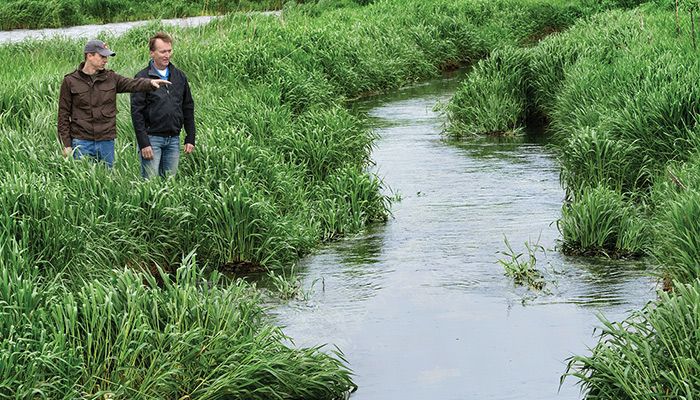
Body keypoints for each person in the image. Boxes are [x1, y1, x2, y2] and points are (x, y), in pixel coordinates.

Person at [58, 39, 171, 168]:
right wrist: (66, 144)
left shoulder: (111, 78)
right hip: (81, 142)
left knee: (107, 181)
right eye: (102, 56)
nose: (106, 60)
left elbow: (132, 83)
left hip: (106, 141)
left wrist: (150, 83)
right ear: (89, 56)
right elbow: (63, 115)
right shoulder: (70, 81)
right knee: (82, 184)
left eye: (106, 57)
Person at [131, 32, 195, 179]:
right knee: (150, 185)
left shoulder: (179, 76)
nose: (167, 55)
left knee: (170, 184)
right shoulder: (142, 78)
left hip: (173, 139)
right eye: (162, 52)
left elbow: (188, 107)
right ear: (152, 53)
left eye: (169, 51)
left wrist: (190, 136)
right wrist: (143, 143)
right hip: (152, 139)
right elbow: (136, 113)